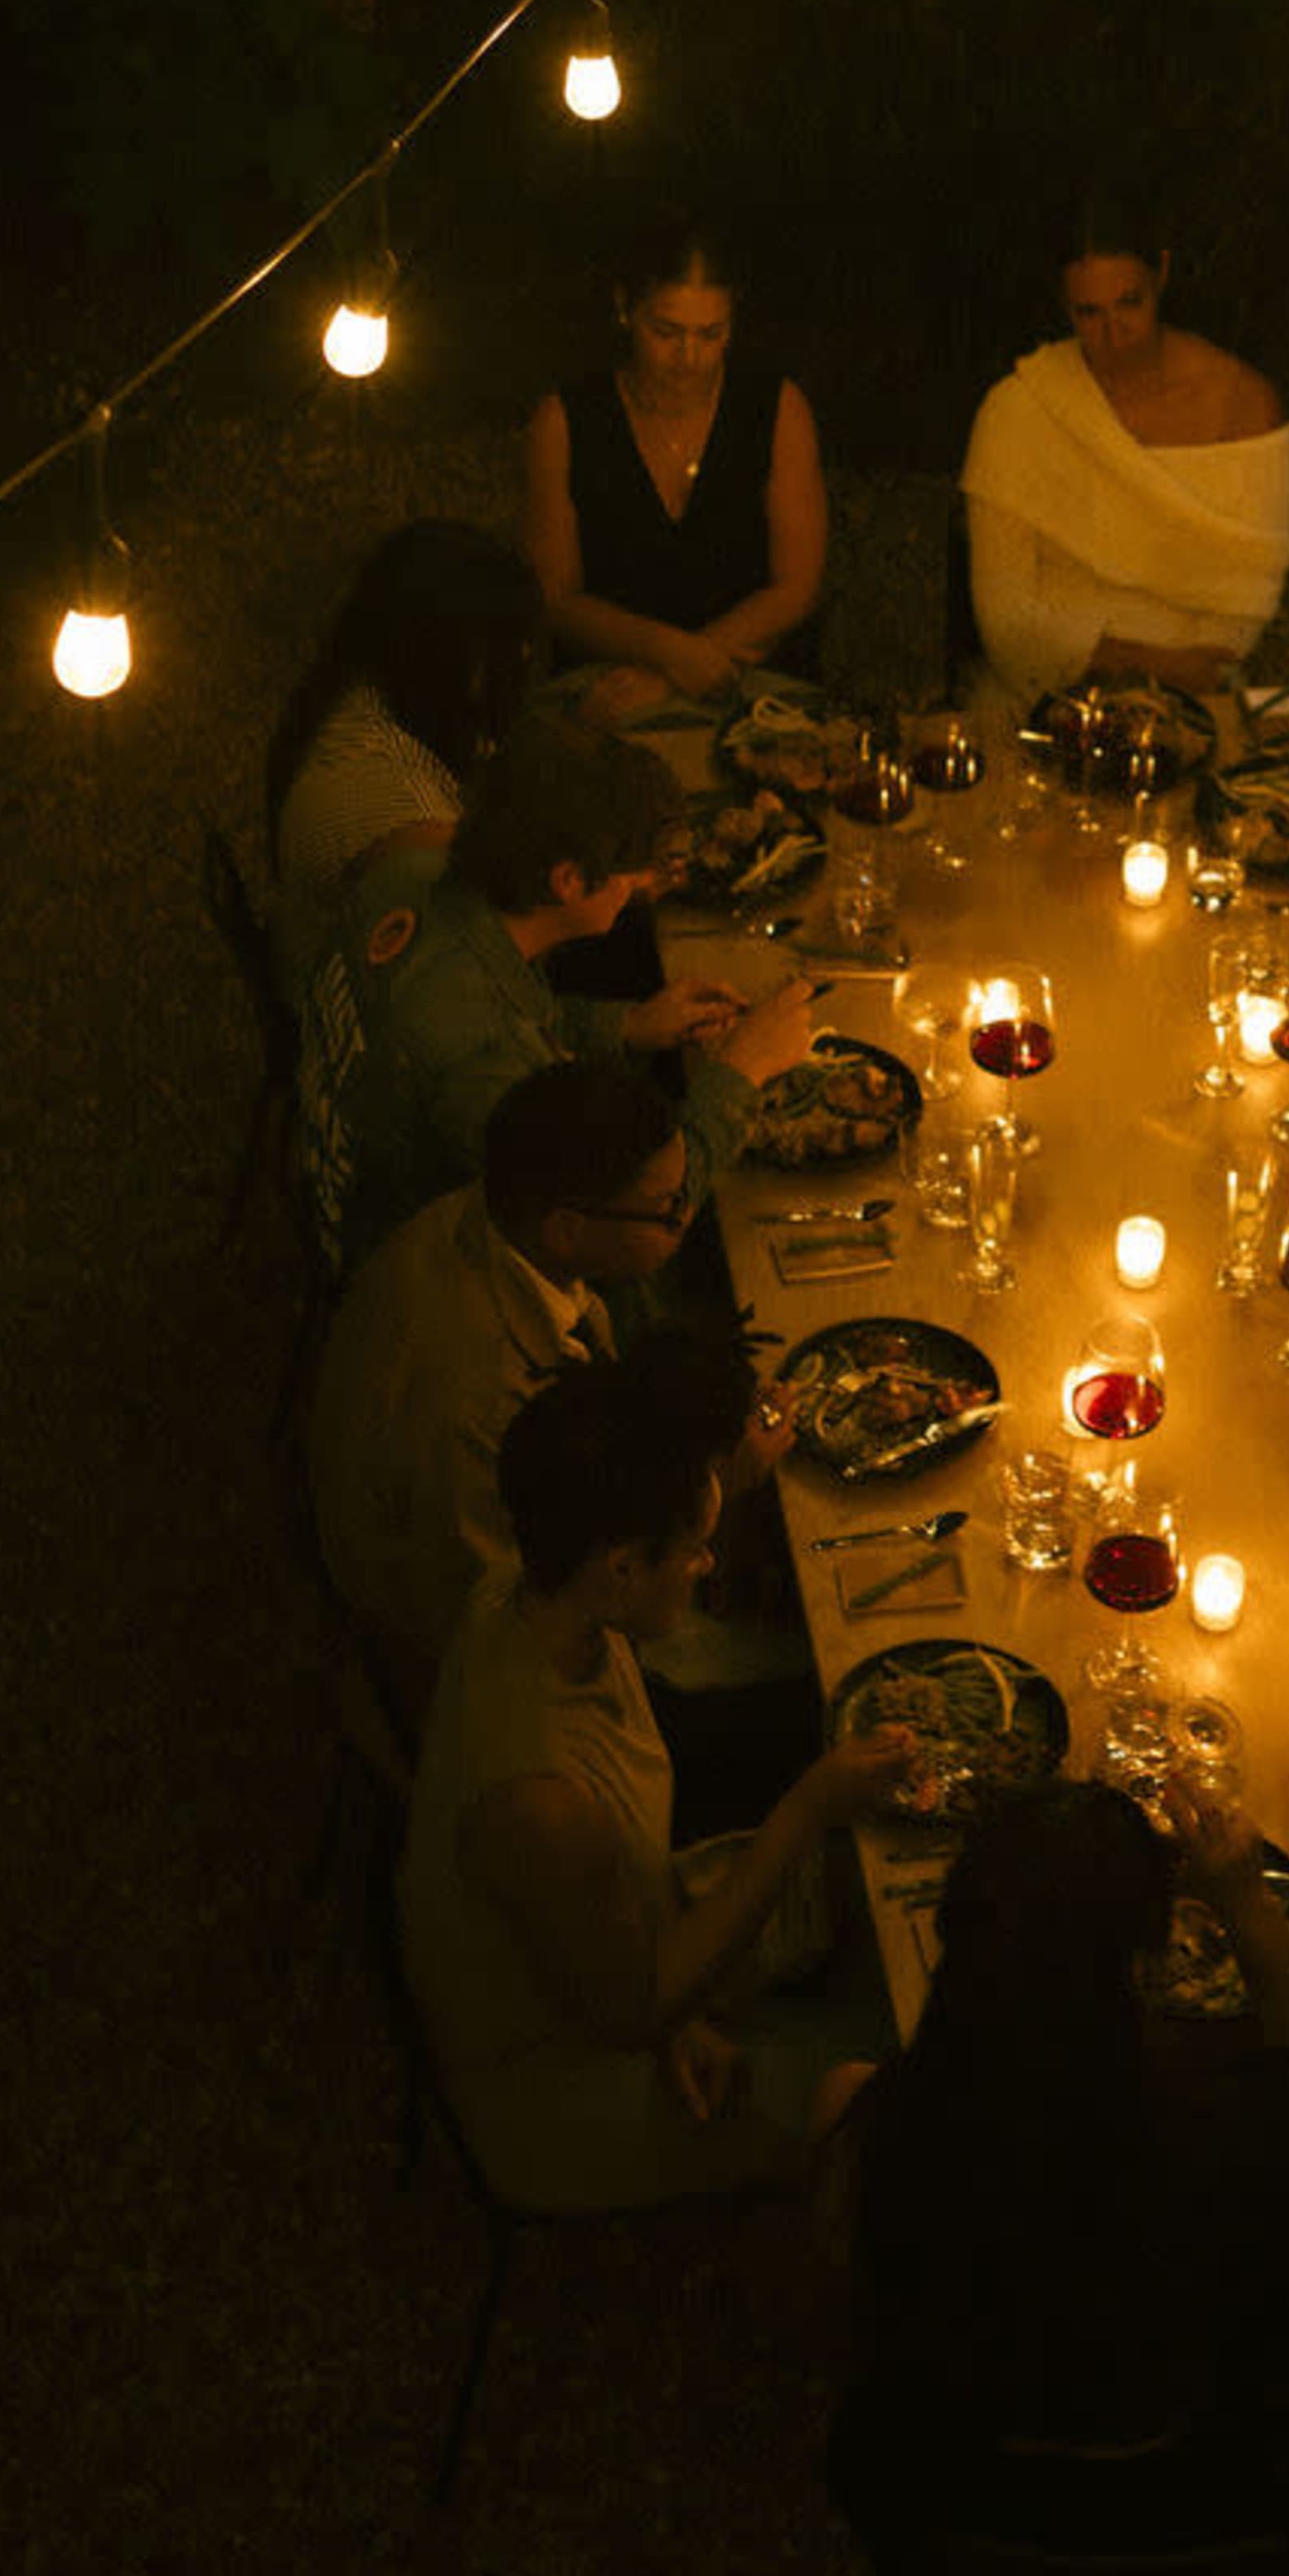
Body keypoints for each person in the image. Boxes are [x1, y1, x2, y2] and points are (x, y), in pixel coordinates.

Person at [816, 1780, 1289, 2574]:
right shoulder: (1226, 2123)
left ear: (953, 1929)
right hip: (1199, 2524)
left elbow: (844, 2315)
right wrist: (1245, 1904)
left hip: (956, 2533)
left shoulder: (863, 2118)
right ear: (1142, 1965)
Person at [403, 1345, 913, 2208]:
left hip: (626, 1954)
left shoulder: (525, 1587)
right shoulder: (540, 1801)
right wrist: (804, 1810)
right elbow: (629, 2010)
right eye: (696, 1550)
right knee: (893, 2085)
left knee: (874, 1908)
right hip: (563, 2085)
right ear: (622, 1572)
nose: (707, 1566)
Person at [307, 1056, 787, 1730]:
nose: (683, 1217)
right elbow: (523, 1609)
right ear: (569, 1227)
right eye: (667, 1207)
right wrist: (707, 1490)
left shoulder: (488, 1219)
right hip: (469, 1690)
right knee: (792, 1676)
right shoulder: (486, 1395)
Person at [292, 710, 821, 1281]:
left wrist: (627, 1025)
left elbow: (500, 1014)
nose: (645, 884)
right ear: (568, 881)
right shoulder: (484, 1060)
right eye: (634, 868)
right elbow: (632, 1224)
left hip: (332, 1168)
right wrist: (743, 1070)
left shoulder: (414, 870)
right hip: (415, 1276)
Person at [959, 196, 1289, 705]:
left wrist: (1177, 679)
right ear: (1063, 306)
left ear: (1161, 274)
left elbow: (1246, 610)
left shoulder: (1242, 407)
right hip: (1047, 700)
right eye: (1089, 313)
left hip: (1199, 701)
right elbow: (1006, 624)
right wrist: (1151, 665)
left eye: (1130, 303)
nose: (1115, 334)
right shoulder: (1018, 411)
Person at [521, 211, 829, 706]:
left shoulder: (775, 409)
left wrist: (673, 675)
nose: (689, 357)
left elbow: (797, 586)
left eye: (711, 335)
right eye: (666, 332)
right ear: (626, 309)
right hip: (609, 681)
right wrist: (668, 652)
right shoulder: (566, 420)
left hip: (755, 688)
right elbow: (555, 598)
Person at [265, 520, 548, 993]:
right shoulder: (408, 818)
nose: (516, 669)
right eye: (505, 655)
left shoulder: (355, 691)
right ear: (449, 656)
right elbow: (485, 965)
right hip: (370, 1013)